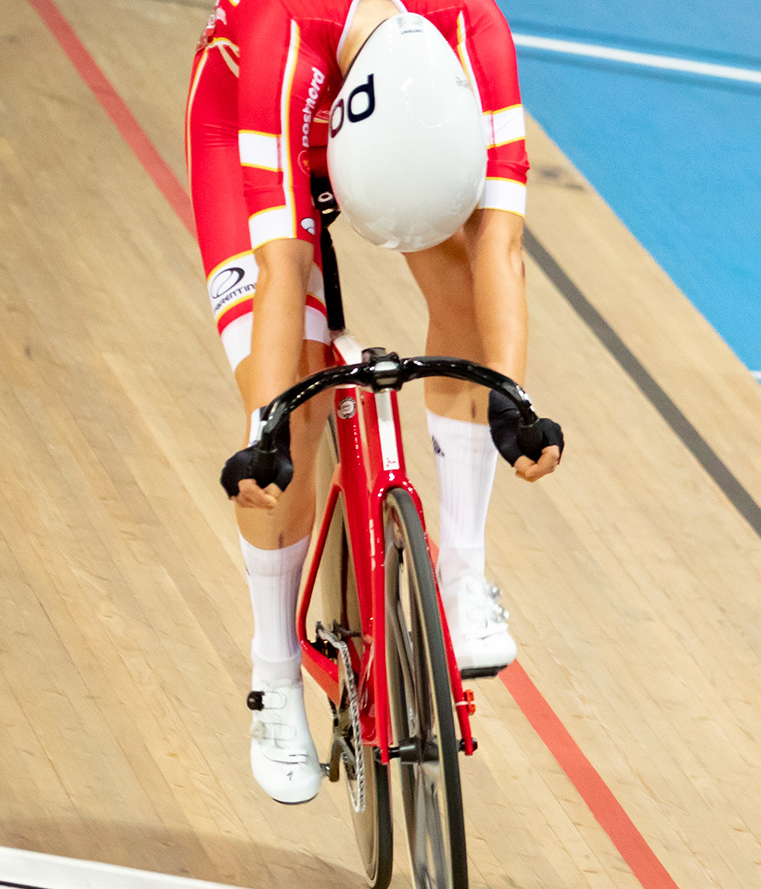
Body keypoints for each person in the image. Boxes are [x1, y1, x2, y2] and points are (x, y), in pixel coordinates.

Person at [187, 0, 561, 804]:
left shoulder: (474, 30)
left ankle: (462, 576)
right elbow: (283, 265)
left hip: (400, 137)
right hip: (258, 122)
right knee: (298, 396)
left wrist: (513, 400)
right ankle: (273, 678)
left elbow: (501, 243)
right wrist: (269, 433)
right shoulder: (276, 32)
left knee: (459, 284)